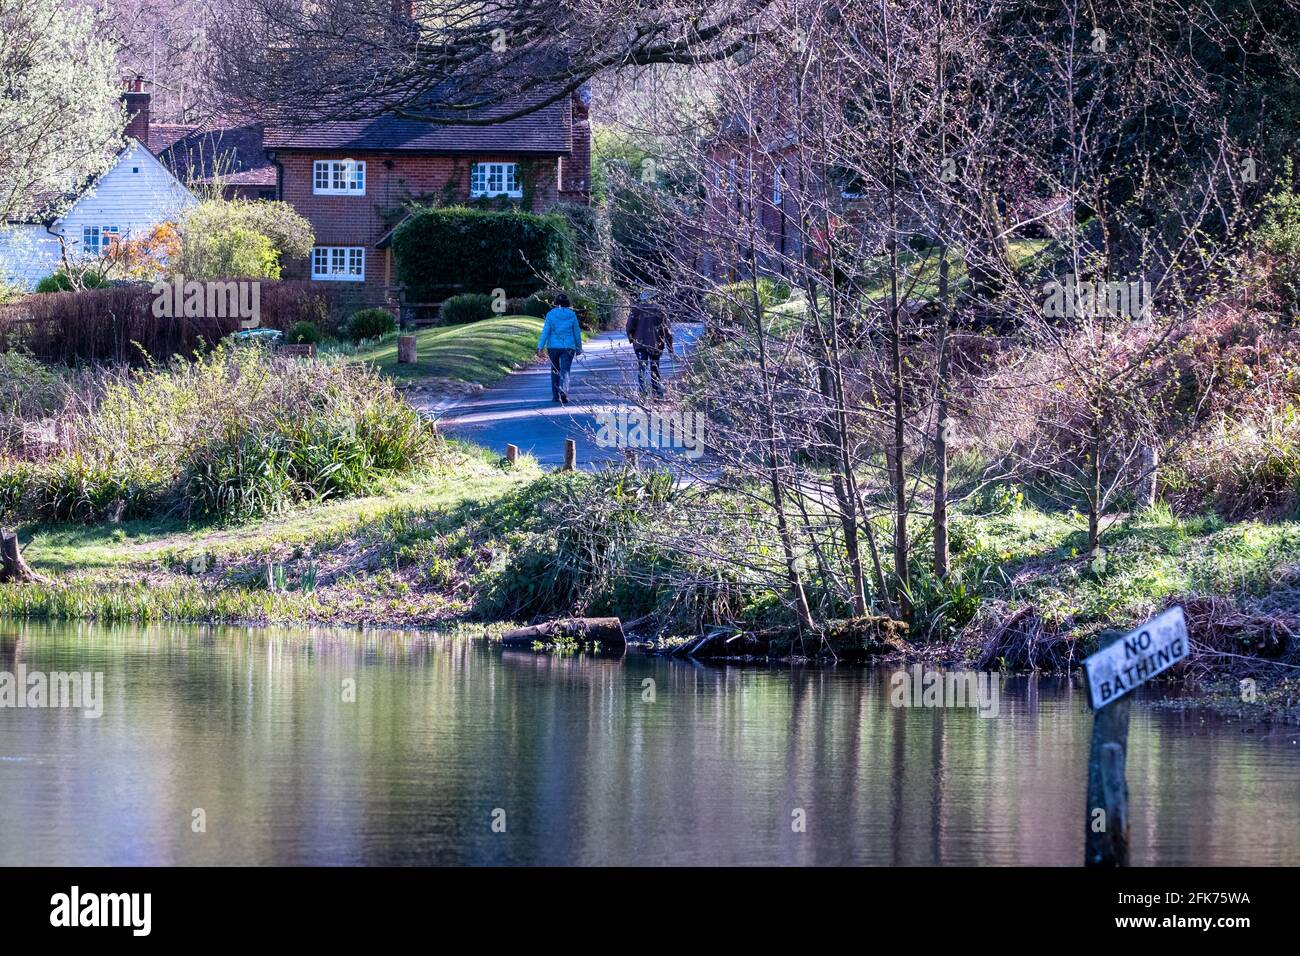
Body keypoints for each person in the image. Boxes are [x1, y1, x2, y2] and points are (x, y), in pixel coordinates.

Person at [536, 292, 583, 404]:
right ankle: (563, 391)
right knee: (565, 370)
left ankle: (555, 396)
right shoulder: (572, 315)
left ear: (556, 303)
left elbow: (545, 331)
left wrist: (540, 347)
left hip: (553, 347)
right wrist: (578, 347)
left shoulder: (550, 314)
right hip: (568, 346)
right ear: (567, 303)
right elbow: (576, 332)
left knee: (554, 370)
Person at [626, 289, 674, 397]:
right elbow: (667, 330)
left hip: (640, 344)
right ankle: (656, 392)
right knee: (654, 367)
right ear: (654, 297)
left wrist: (632, 339)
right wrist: (670, 348)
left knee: (642, 367)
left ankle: (643, 392)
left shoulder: (635, 309)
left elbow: (629, 327)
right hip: (656, 344)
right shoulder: (660, 309)